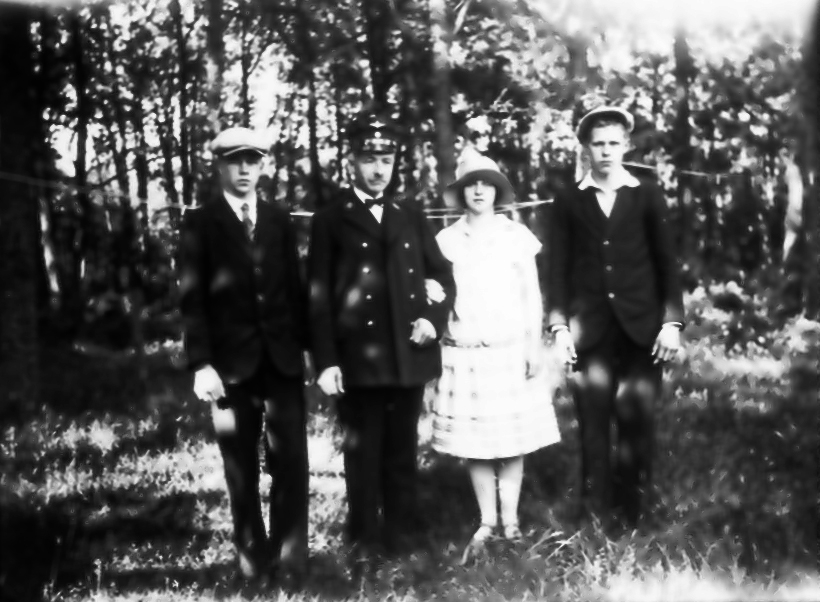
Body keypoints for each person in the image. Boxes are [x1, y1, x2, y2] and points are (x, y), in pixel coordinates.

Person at [307, 108, 455, 574]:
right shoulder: (331, 219)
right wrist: (326, 361)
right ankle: (364, 545)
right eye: (369, 159)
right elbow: (318, 298)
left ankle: (402, 540)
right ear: (352, 161)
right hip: (358, 359)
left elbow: (442, 274)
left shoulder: (409, 213)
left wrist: (432, 319)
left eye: (385, 160)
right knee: (362, 455)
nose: (378, 169)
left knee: (401, 453)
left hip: (406, 355)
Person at [178, 127, 309, 587]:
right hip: (228, 370)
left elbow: (294, 289)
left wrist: (308, 349)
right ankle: (253, 564)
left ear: (263, 166)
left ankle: (291, 562)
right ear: (220, 166)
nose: (245, 170)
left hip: (282, 363)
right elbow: (192, 299)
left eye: (252, 161)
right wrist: (201, 363)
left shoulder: (279, 220)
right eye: (235, 161)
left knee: (291, 463)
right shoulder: (200, 223)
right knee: (241, 469)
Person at [548, 106, 685, 531]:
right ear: (585, 149)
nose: (606, 151)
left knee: (636, 419)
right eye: (598, 144)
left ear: (626, 146)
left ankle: (633, 513)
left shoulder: (646, 194)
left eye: (613, 143)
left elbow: (667, 262)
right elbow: (557, 268)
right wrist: (559, 327)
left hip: (643, 330)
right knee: (592, 424)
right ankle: (594, 512)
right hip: (589, 332)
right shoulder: (569, 199)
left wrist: (671, 323)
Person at [432, 148, 561, 560]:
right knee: (477, 441)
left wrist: (533, 344)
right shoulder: (446, 241)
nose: (479, 191)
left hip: (509, 349)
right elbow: (438, 296)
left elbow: (531, 295)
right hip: (466, 351)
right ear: (461, 192)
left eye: (486, 184)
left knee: (511, 440)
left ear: (497, 191)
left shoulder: (515, 235)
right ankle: (487, 520)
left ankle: (511, 520)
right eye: (471, 185)